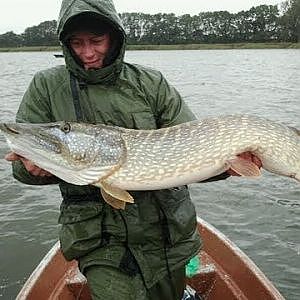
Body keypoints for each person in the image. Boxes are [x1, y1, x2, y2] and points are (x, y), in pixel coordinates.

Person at [5, 0, 262, 299]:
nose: (87, 53)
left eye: (97, 41)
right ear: (65, 43)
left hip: (168, 232)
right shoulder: (47, 86)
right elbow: (23, 168)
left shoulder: (150, 83)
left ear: (114, 37)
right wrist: (31, 168)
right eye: (77, 43)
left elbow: (195, 155)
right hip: (101, 241)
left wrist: (228, 168)